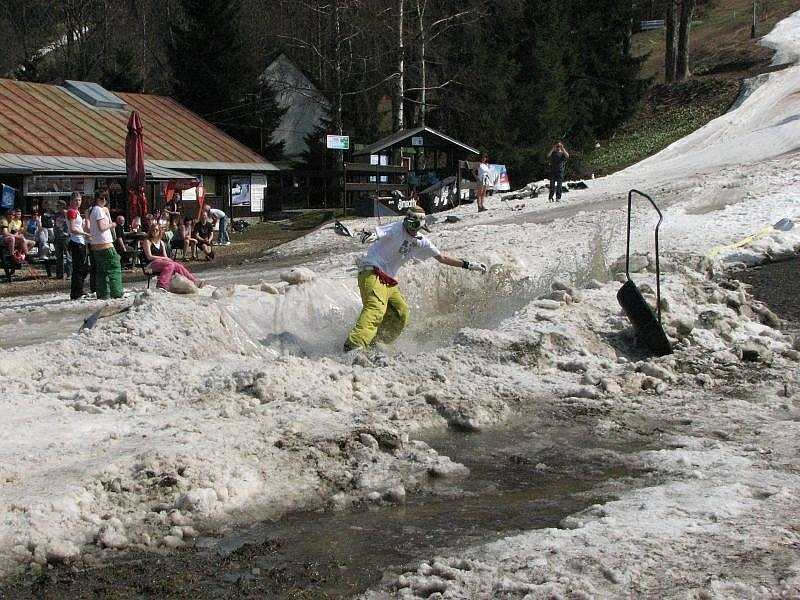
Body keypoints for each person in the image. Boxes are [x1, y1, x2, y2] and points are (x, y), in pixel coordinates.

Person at [344, 206, 487, 351]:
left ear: (421, 225)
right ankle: (353, 345)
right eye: (408, 222)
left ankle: (375, 343)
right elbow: (378, 233)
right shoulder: (397, 228)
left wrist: (469, 265)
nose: (409, 228)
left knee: (401, 314)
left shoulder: (422, 241)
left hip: (388, 281)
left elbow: (442, 258)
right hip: (371, 272)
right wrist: (370, 235)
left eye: (414, 225)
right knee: (376, 308)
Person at [142, 222, 203, 290]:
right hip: (151, 265)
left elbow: (165, 256)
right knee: (170, 265)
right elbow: (149, 256)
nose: (154, 231)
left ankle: (194, 281)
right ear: (150, 231)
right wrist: (164, 258)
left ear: (159, 231)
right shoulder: (147, 241)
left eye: (156, 230)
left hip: (161, 263)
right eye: (153, 230)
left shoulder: (161, 242)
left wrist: (168, 259)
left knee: (178, 265)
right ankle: (161, 285)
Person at [88, 192, 123, 299]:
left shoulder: (93, 210)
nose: (103, 200)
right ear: (96, 199)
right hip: (105, 244)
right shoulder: (98, 210)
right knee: (114, 268)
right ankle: (117, 293)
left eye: (105, 198)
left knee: (101, 271)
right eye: (101, 198)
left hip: (96, 245)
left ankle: (102, 293)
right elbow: (101, 227)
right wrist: (113, 224)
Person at [67, 192, 90, 299]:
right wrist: (84, 233)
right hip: (76, 241)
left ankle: (78, 289)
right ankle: (76, 292)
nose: (78, 202)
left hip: (81, 241)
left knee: (83, 267)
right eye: (76, 200)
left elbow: (80, 226)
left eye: (79, 200)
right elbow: (72, 228)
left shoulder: (77, 212)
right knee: (79, 268)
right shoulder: (71, 211)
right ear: (71, 201)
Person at [53, 200, 70, 279]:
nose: (57, 207)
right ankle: (59, 275)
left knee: (68, 256)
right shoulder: (56, 215)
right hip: (57, 237)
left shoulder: (67, 214)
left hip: (66, 237)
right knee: (58, 257)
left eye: (58, 205)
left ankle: (69, 274)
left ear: (63, 206)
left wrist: (67, 233)